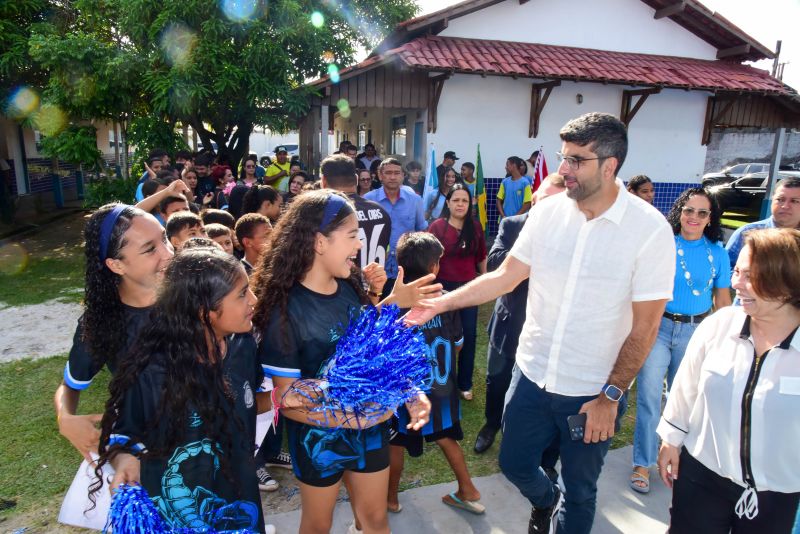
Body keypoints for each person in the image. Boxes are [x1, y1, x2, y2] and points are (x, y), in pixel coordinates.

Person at [406, 112, 676, 534]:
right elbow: (504, 275)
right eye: (562, 157)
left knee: (581, 492)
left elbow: (646, 326)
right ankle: (546, 500)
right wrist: (441, 305)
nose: (563, 169)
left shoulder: (650, 230)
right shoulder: (548, 213)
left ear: (610, 166)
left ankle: (562, 508)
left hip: (592, 391)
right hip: (531, 377)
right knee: (514, 463)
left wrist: (610, 396)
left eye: (576, 160)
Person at [251, 190, 434, 534]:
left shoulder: (350, 287)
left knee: (375, 521)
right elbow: (288, 402)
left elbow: (370, 352)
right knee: (318, 526)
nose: (358, 246)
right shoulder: (284, 313)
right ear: (319, 242)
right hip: (318, 441)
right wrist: (355, 420)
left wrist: (409, 392)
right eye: (352, 236)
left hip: (371, 431)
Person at [93, 247, 274, 533]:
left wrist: (285, 398)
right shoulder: (153, 370)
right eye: (242, 294)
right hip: (176, 511)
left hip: (239, 497)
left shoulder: (243, 346)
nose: (253, 300)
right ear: (204, 311)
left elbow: (248, 401)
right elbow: (122, 433)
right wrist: (125, 457)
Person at [657, 228, 800, 534]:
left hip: (774, 495)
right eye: (737, 272)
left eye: (750, 276)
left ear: (786, 283)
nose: (736, 283)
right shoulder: (720, 326)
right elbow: (685, 387)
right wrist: (670, 438)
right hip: (701, 477)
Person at [54, 204, 173, 529]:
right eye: (151, 249)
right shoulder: (102, 323)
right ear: (115, 264)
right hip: (142, 457)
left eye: (165, 239)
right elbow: (70, 385)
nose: (168, 253)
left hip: (207, 449)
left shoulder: (196, 297)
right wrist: (66, 419)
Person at [630, 187, 732, 494]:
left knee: (683, 400)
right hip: (658, 329)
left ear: (710, 218)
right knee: (649, 398)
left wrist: (726, 339)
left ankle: (672, 455)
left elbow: (724, 301)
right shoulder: (663, 244)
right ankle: (642, 463)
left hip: (695, 333)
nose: (694, 218)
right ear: (679, 212)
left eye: (702, 213)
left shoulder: (718, 253)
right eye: (689, 210)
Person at [388, 232, 485, 515]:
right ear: (434, 267)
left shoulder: (394, 303)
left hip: (406, 395)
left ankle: (390, 499)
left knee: (395, 444)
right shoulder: (447, 300)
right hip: (441, 391)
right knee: (445, 438)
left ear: (401, 267)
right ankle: (467, 488)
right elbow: (458, 344)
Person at [474, 174, 566, 455]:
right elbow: (493, 262)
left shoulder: (570, 234)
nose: (545, 208)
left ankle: (528, 442)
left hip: (546, 327)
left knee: (537, 389)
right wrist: (532, 245)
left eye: (554, 203)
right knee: (497, 379)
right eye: (542, 200)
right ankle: (490, 425)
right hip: (509, 321)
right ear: (534, 198)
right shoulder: (513, 225)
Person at [427, 184, 487, 400]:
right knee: (443, 336)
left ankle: (465, 384)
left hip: (469, 289)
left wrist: (486, 280)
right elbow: (428, 260)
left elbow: (481, 256)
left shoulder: (476, 228)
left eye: (464, 200)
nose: (460, 204)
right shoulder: (437, 227)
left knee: (469, 335)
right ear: (448, 203)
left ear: (470, 203)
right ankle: (443, 382)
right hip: (441, 289)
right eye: (456, 200)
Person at [365, 158, 428, 297]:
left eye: (397, 173)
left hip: (406, 269)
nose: (393, 177)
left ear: (402, 176)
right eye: (388, 173)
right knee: (375, 312)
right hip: (376, 270)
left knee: (404, 314)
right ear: (380, 175)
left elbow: (422, 231)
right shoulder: (368, 200)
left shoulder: (415, 200)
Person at [320, 155, 391, 275]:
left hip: (341, 290)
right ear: (357, 179)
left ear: (323, 181)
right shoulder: (381, 211)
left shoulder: (325, 213)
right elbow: (386, 252)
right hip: (375, 288)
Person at [726, 176, 800, 269]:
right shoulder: (747, 233)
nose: (785, 206)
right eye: (780, 200)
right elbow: (724, 272)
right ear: (772, 200)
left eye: (794, 201)